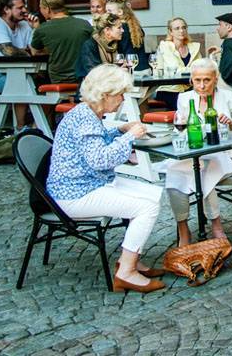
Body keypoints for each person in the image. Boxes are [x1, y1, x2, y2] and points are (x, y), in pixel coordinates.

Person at [46, 64, 162, 292]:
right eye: (119, 95)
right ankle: (126, 271)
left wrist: (119, 130)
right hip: (76, 194)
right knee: (146, 208)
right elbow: (100, 159)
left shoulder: (86, 112)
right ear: (105, 95)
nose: (121, 99)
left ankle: (131, 256)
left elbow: (94, 143)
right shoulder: (85, 118)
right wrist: (129, 136)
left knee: (154, 193)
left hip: (85, 184)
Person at [165, 59, 232, 247]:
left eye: (207, 80)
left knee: (203, 170)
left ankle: (216, 224)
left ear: (215, 79)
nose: (202, 85)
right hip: (196, 154)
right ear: (191, 81)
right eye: (197, 80)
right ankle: (183, 228)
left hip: (227, 154)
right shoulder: (184, 99)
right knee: (173, 170)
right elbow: (178, 131)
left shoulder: (231, 98)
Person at [30, 0, 92, 84]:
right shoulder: (84, 24)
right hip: (84, 76)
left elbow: (35, 52)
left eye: (40, 8)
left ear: (47, 9)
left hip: (59, 78)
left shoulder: (42, 29)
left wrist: (35, 29)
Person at [153, 17, 202, 108]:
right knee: (187, 107)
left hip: (190, 88)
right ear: (171, 32)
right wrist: (194, 70)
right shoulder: (165, 46)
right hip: (169, 89)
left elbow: (202, 68)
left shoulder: (194, 47)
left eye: (184, 27)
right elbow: (176, 70)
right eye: (177, 28)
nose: (181, 30)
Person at [104, 0, 148, 71]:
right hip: (143, 67)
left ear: (120, 12)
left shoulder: (120, 28)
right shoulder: (135, 25)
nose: (106, 14)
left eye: (109, 11)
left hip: (130, 69)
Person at [76, 14, 123, 80]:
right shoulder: (90, 45)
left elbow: (123, 65)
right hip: (93, 87)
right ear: (107, 30)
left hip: (113, 84)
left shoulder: (117, 44)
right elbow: (94, 72)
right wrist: (119, 71)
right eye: (119, 28)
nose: (122, 30)